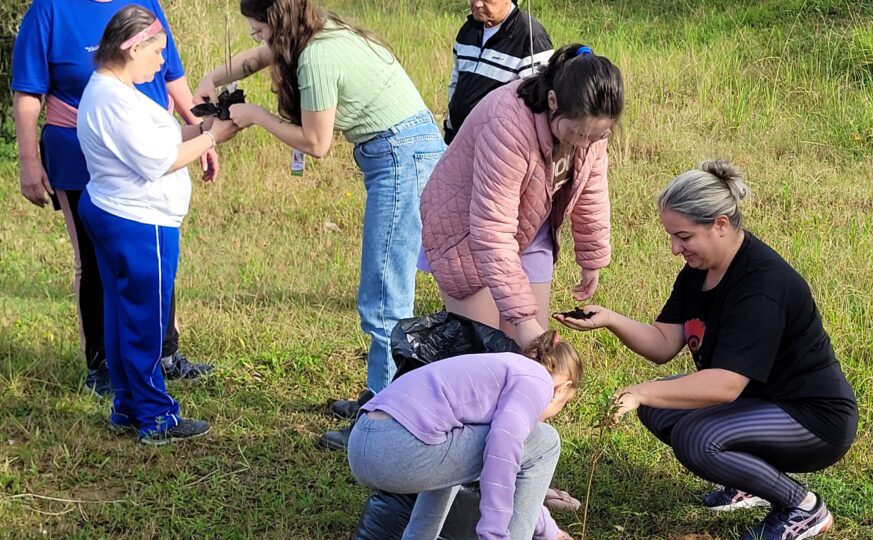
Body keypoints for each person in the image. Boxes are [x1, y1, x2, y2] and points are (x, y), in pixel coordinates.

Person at [556, 161, 858, 540]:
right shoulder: (702, 270)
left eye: (683, 236)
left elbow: (725, 385)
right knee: (660, 408)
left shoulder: (761, 285)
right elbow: (665, 343)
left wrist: (641, 391)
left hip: (813, 418)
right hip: (762, 402)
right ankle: (748, 481)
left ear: (720, 224)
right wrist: (610, 319)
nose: (674, 248)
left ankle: (803, 508)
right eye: (671, 236)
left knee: (696, 438)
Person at [194, 0, 445, 402]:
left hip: (402, 159)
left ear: (277, 23)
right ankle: (380, 398)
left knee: (384, 297)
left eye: (258, 30)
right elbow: (261, 55)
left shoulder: (317, 57)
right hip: (402, 152)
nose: (257, 40)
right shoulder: (316, 30)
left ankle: (384, 415)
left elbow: (316, 142)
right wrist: (212, 76)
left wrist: (255, 115)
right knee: (384, 292)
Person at [12, 0, 218, 397]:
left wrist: (199, 129)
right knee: (95, 260)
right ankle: (103, 364)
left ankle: (164, 353)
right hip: (79, 147)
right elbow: (29, 92)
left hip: (151, 139)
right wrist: (28, 161)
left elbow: (173, 76)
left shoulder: (145, 4)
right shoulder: (50, 10)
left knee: (154, 250)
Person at [75, 6, 240, 444]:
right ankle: (155, 417)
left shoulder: (116, 90)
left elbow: (160, 137)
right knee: (146, 319)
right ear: (133, 48)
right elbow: (158, 161)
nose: (161, 62)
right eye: (157, 51)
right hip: (138, 222)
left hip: (120, 213)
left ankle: (128, 406)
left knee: (123, 314)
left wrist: (204, 126)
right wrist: (211, 139)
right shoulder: (112, 98)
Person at [420, 43, 623, 350]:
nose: (584, 144)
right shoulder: (507, 124)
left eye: (595, 137)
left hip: (531, 225)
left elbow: (591, 186)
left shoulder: (592, 129)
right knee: (483, 354)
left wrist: (591, 257)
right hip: (466, 233)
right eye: (578, 134)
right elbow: (492, 230)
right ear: (552, 101)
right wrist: (522, 317)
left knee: (529, 353)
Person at [347, 331, 580, 540]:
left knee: (459, 454)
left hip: (364, 440)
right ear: (564, 388)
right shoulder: (539, 381)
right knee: (546, 441)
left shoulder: (503, 369)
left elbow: (497, 472)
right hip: (399, 449)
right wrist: (495, 539)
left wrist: (549, 532)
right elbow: (502, 451)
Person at [444, 0, 553, 144]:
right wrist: (450, 122)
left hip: (495, 148)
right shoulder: (468, 30)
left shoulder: (531, 37)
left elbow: (537, 106)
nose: (477, 4)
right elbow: (455, 82)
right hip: (457, 140)